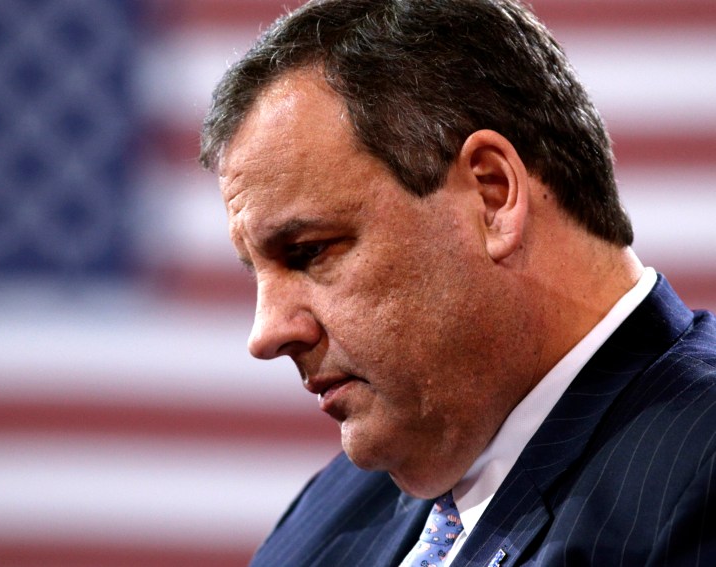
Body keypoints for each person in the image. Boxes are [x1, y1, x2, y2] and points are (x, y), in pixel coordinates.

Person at [198, 0, 716, 565]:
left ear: (492, 195)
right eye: (258, 271)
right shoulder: (336, 508)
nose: (266, 334)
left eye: (309, 251)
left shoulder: (700, 470)